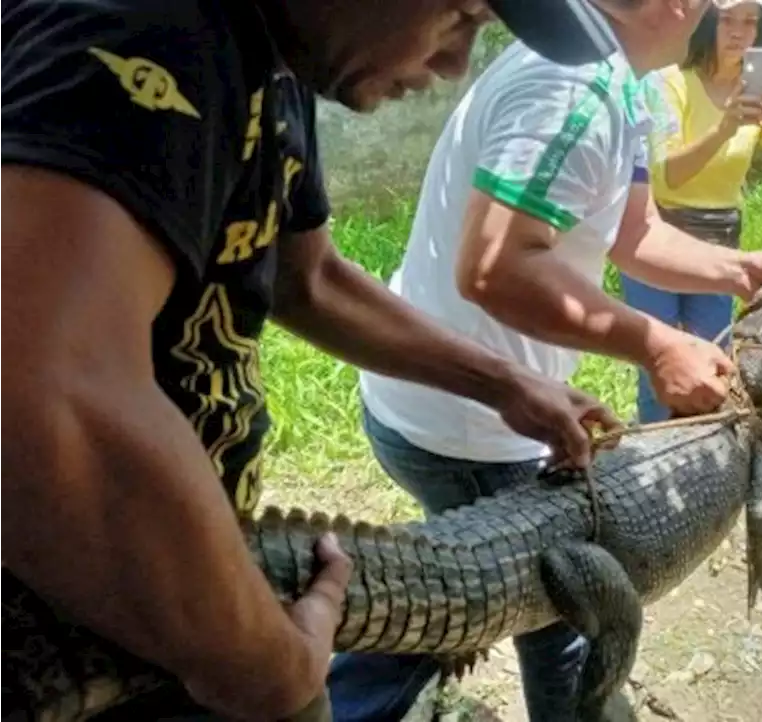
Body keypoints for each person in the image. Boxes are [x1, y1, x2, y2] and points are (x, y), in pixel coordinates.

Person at [0, 0, 637, 720]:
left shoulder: (276, 56)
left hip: (163, 585)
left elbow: (310, 279)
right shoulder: (152, 27)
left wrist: (507, 383)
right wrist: (269, 670)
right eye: (461, 14)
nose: (458, 62)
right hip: (68, 602)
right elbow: (44, 393)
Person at [330, 0, 762, 719]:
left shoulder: (626, 82)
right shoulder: (573, 85)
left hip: (475, 405)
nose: (717, 17)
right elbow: (494, 267)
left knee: (465, 599)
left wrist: (740, 269)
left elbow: (634, 231)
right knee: (533, 621)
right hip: (469, 421)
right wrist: (655, 343)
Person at [618, 0, 762, 425]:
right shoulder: (671, 82)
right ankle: (652, 454)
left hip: (719, 242)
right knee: (658, 365)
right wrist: (724, 127)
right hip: (657, 237)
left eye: (750, 22)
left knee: (714, 365)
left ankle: (699, 456)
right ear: (706, 22)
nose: (739, 32)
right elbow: (668, 176)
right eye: (727, 19)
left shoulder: (760, 96)